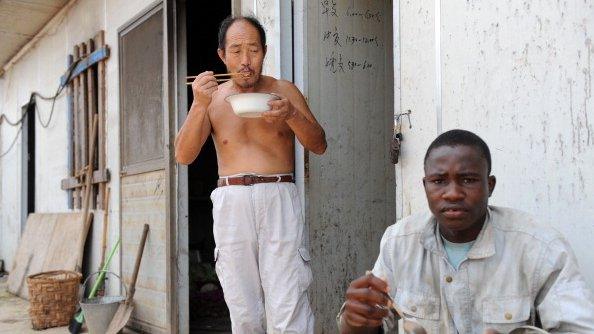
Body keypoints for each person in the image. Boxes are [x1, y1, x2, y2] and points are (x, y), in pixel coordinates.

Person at [338, 129, 594, 333]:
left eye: (468, 180)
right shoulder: (399, 243)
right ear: (425, 186)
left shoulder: (539, 246)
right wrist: (356, 319)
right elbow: (369, 326)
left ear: (489, 185)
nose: (453, 193)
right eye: (439, 181)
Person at [175, 15, 326, 333]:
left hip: (278, 195)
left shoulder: (284, 92)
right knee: (243, 307)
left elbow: (319, 144)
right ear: (222, 55)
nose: (245, 61)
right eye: (236, 50)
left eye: (254, 50)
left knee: (288, 303)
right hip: (232, 202)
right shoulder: (213, 99)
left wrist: (292, 114)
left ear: (265, 51)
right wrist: (199, 104)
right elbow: (183, 155)